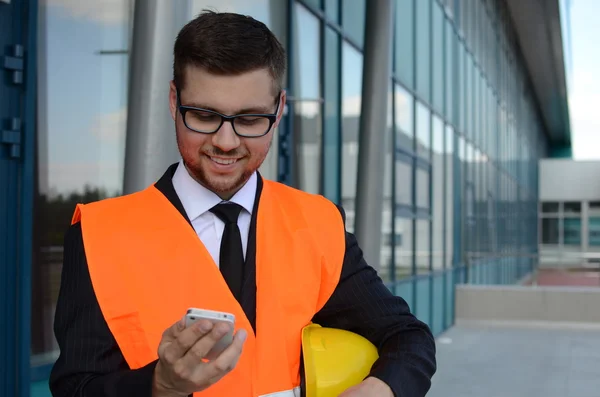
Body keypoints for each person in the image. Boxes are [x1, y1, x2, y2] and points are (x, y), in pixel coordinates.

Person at [49, 10, 436, 397]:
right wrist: (159, 386)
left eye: (250, 120)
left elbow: (407, 337)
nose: (226, 142)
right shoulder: (99, 235)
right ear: (173, 100)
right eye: (203, 115)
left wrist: (378, 390)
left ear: (279, 108)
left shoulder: (318, 224)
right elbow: (76, 387)